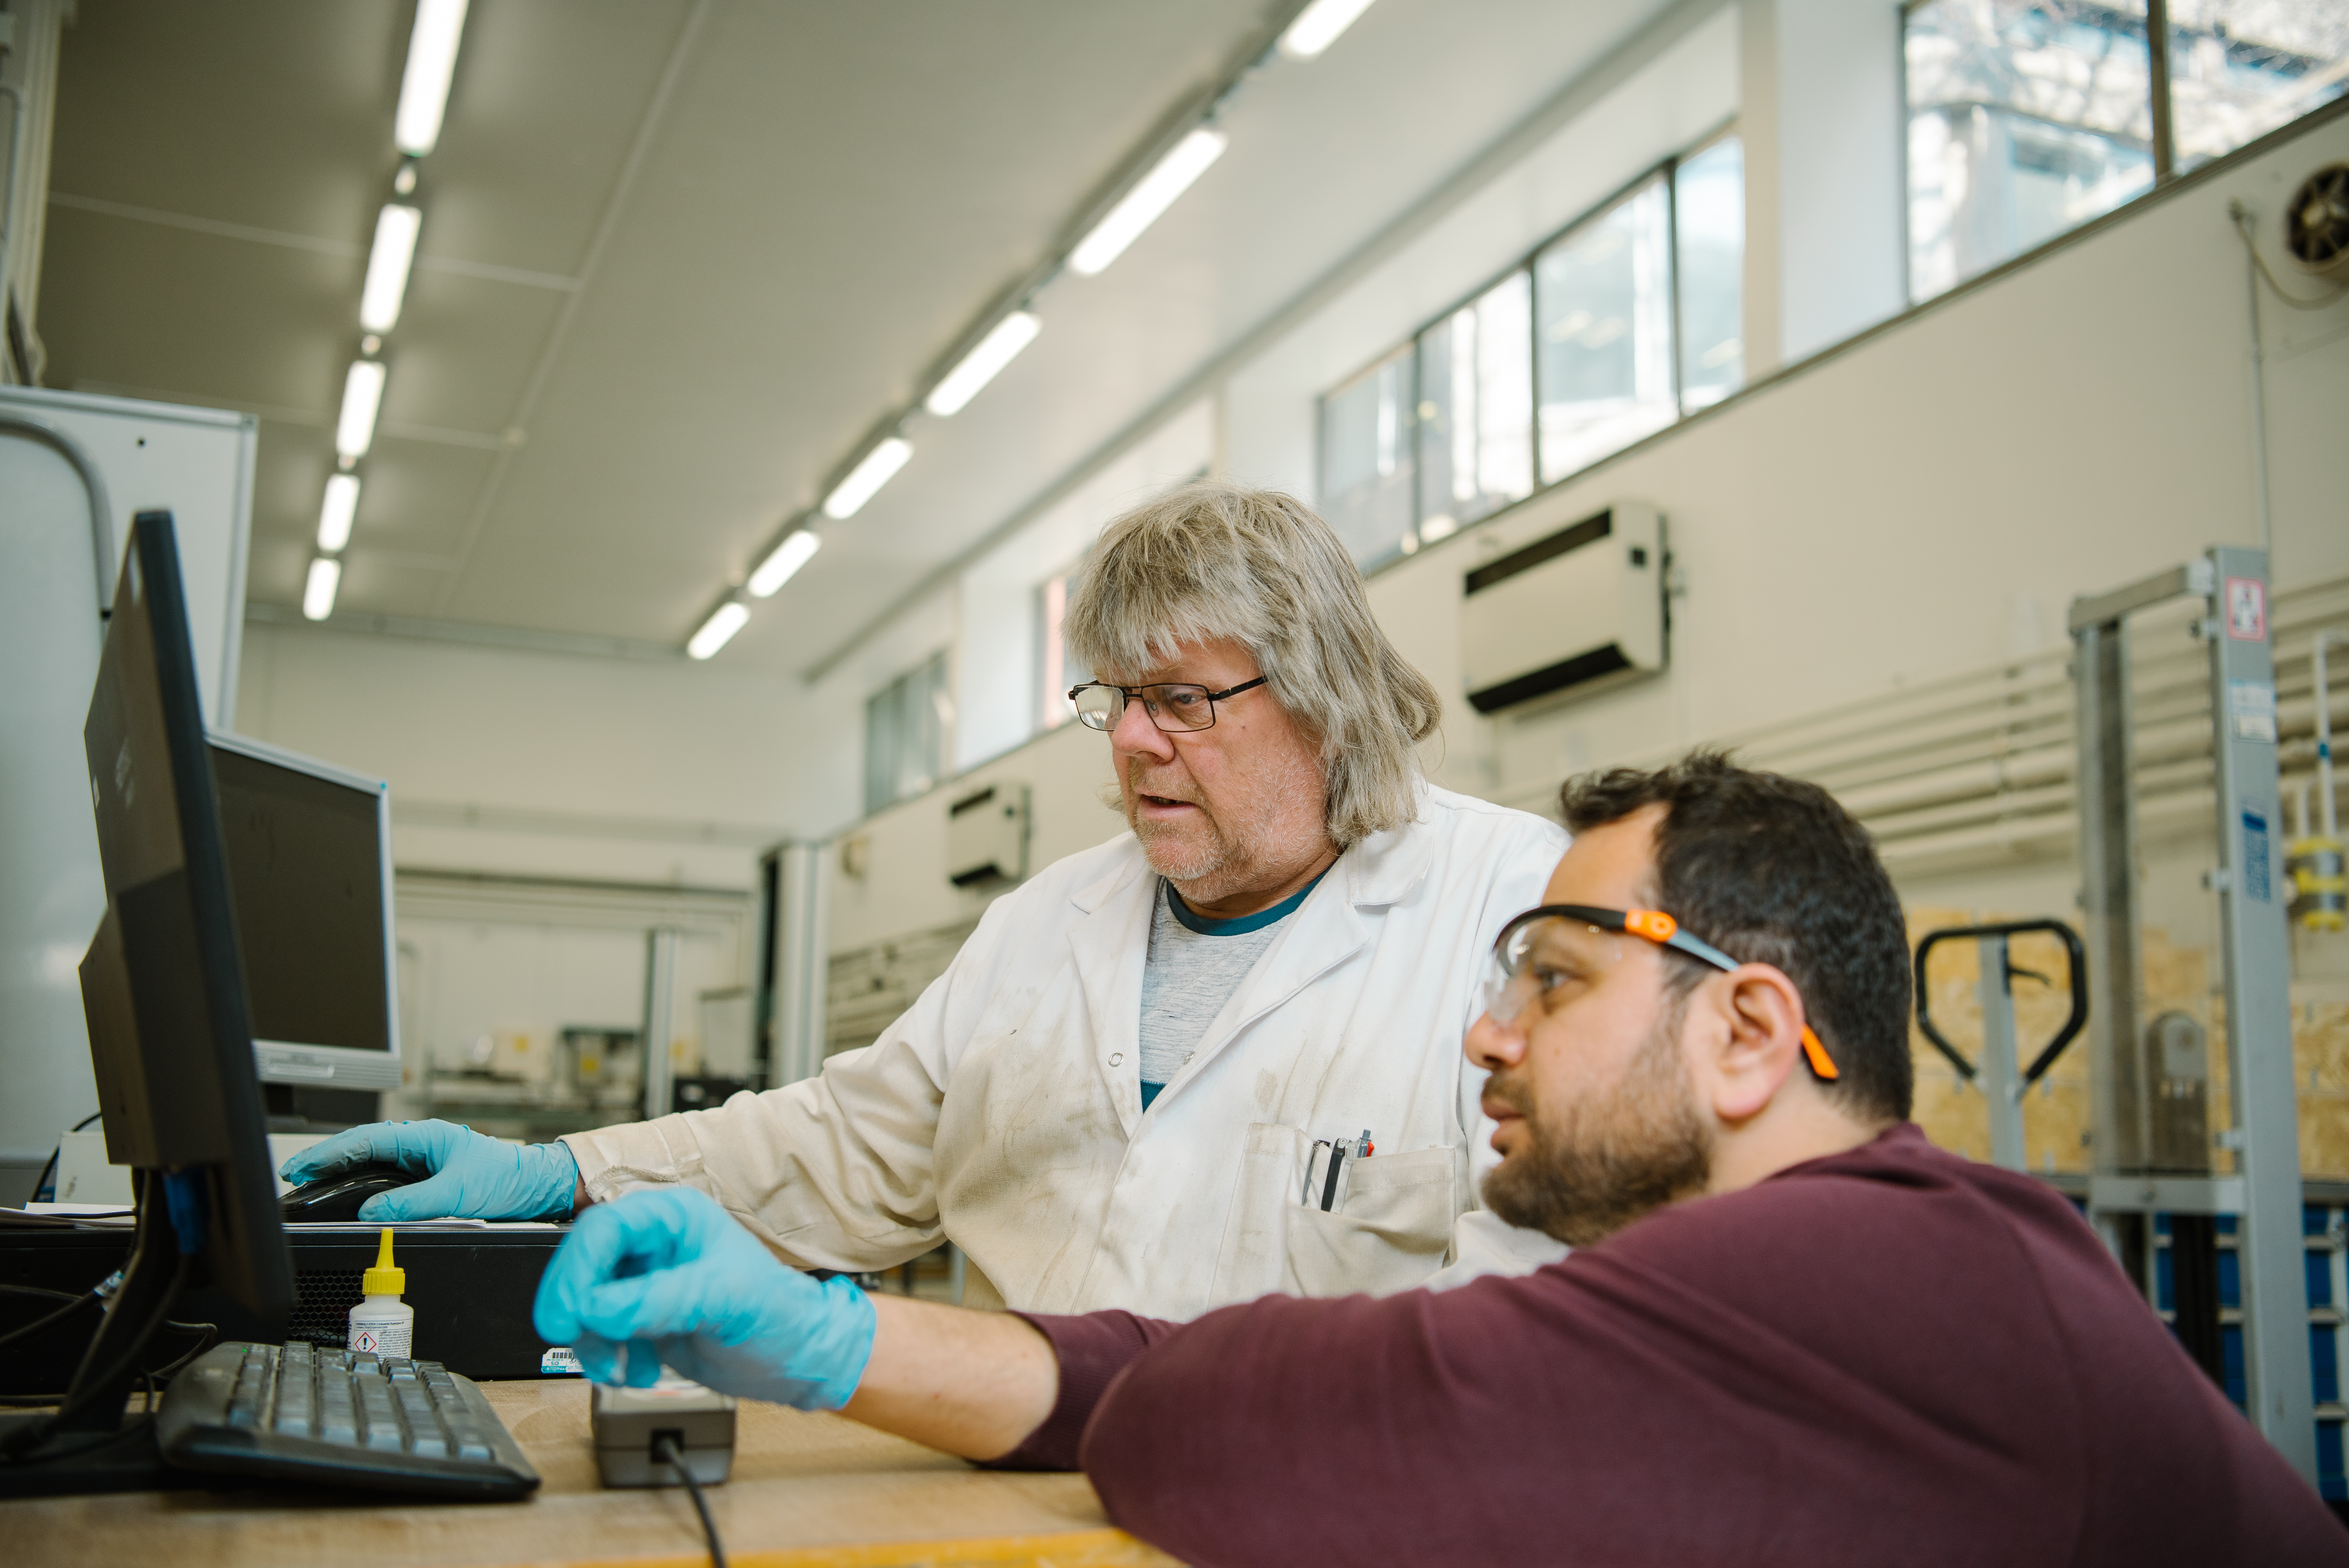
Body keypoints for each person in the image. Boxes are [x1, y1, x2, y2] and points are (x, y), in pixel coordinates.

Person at [532, 752, 2346, 1566]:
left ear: (1745, 1031)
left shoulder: (1883, 1263)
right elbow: (1217, 1373)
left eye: (1550, 980)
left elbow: (1307, 1417)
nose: (1487, 1030)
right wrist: (833, 1336)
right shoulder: (1834, 1264)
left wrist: (854, 1339)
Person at [287, 481, 1567, 1315]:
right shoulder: (1044, 926)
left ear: (1325, 698)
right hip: (1018, 1490)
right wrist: (561, 1170)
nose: (1130, 743)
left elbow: (1539, 1296)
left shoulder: (1506, 916)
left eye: (1181, 701)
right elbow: (850, 1151)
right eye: (1115, 701)